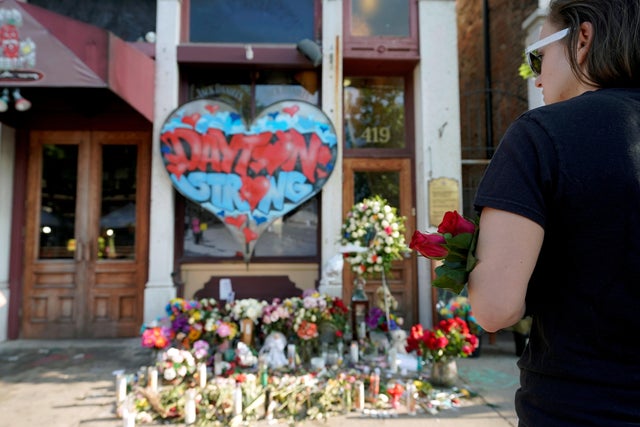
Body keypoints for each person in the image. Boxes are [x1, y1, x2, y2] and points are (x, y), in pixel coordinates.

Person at [467, 1, 640, 425]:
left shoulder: (540, 134)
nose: (538, 78)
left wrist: (467, 261)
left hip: (584, 407)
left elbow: (495, 308)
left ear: (583, 39)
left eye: (538, 57)